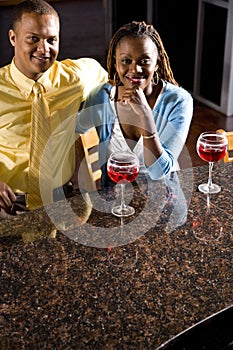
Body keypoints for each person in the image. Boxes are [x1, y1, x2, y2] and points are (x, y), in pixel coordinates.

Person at [0, 0, 107, 216]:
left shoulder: (76, 78)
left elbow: (113, 74)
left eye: (52, 40)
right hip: (6, 205)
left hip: (62, 202)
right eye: (33, 39)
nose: (44, 49)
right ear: (13, 38)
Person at [76, 21, 193, 188]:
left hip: (164, 197)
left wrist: (145, 116)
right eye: (126, 60)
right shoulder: (101, 96)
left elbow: (159, 171)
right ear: (115, 62)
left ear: (157, 61)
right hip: (114, 198)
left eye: (144, 61)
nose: (135, 69)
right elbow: (74, 128)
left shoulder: (178, 101)